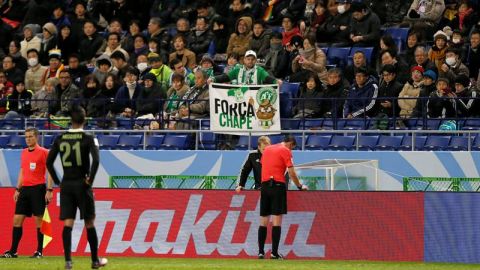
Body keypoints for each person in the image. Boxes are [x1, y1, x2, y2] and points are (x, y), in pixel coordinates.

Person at [46, 106, 107, 270]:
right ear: (84, 119)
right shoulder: (89, 137)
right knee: (89, 222)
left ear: (70, 121)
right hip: (82, 184)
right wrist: (90, 180)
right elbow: (96, 160)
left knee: (68, 223)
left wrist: (59, 182)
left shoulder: (60, 138)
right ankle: (95, 261)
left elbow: (49, 162)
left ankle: (68, 261)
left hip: (66, 184)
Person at [1, 128, 52, 259]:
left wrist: (49, 190)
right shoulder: (23, 152)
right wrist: (18, 189)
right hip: (25, 190)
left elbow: (50, 172)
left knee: (38, 221)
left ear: (37, 137)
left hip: (38, 189)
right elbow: (22, 171)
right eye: (26, 137)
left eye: (30, 136)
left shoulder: (44, 152)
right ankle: (13, 251)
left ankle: (39, 251)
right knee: (17, 219)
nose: (28, 139)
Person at [257, 136, 308, 259]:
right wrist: (300, 186)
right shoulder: (286, 150)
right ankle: (274, 253)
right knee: (276, 220)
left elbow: (264, 166)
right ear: (290, 144)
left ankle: (261, 252)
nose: (292, 150)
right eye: (293, 147)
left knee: (263, 220)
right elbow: (291, 172)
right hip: (277, 186)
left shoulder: (267, 149)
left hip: (264, 186)